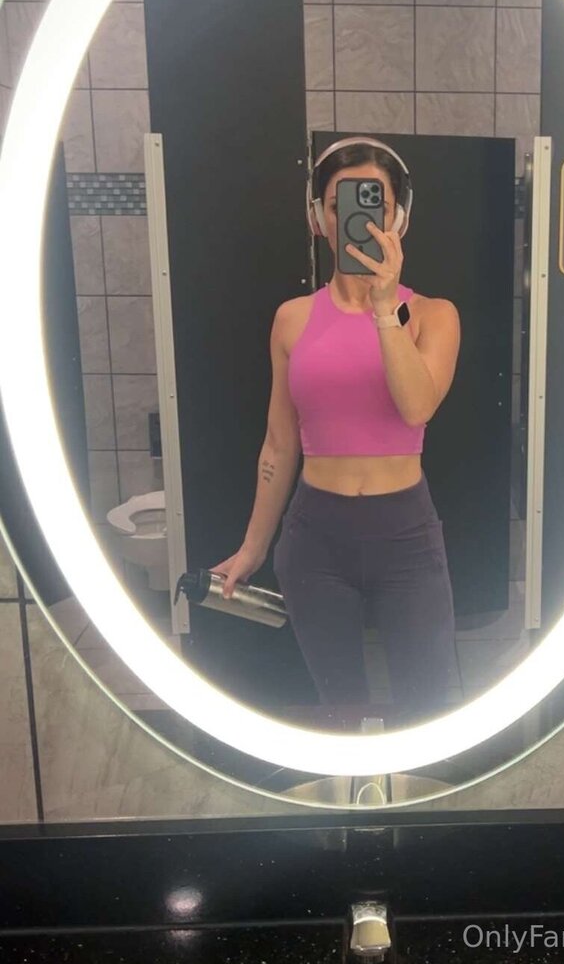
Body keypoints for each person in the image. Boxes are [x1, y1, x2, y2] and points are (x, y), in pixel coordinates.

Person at [211, 137, 461, 723]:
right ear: (318, 218)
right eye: (338, 204)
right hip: (316, 537)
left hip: (406, 534)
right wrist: (252, 546)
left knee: (426, 710)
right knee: (338, 711)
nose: (356, 219)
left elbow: (417, 407)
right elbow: (279, 443)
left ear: (398, 219)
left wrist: (383, 309)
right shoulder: (292, 319)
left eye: (376, 205)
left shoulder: (433, 315)